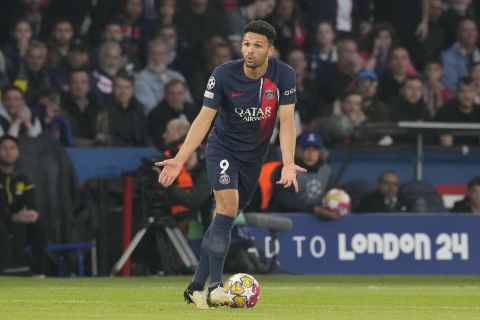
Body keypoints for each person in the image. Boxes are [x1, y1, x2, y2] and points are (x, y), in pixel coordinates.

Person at [155, 20, 305, 308]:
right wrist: (179, 159)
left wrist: (288, 162)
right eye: (246, 43)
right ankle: (215, 287)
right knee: (226, 208)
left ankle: (195, 287)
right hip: (222, 148)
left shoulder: (283, 75)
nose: (250, 50)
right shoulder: (223, 74)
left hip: (253, 157)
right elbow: (203, 118)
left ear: (270, 50)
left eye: (257, 45)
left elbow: (286, 122)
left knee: (225, 218)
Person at [0, 135, 47, 276]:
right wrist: (12, 217)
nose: (9, 152)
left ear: (18, 151)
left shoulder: (24, 179)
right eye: (4, 148)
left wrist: (32, 213)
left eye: (12, 148)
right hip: (4, 220)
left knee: (38, 224)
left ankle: (39, 272)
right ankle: (7, 268)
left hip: (19, 219)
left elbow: (31, 202)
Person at [270, 132, 337, 219]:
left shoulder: (326, 171)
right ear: (299, 151)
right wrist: (314, 209)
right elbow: (284, 199)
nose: (310, 154)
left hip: (318, 219)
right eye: (307, 149)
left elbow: (328, 195)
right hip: (287, 218)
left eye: (315, 150)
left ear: (321, 153)